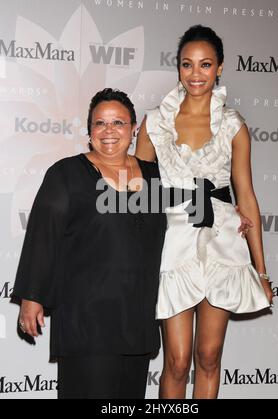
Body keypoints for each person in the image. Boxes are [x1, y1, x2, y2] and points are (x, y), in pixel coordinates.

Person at [135, 25, 273, 399]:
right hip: (173, 241)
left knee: (209, 356)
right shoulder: (154, 122)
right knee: (177, 361)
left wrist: (261, 270)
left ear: (220, 68)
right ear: (178, 68)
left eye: (205, 65)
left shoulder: (234, 126)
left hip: (222, 243)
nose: (196, 74)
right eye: (187, 64)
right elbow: (139, 195)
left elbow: (246, 195)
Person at [13, 88, 167, 399]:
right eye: (100, 123)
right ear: (89, 130)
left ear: (134, 128)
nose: (109, 131)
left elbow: (192, 211)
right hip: (87, 322)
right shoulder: (67, 173)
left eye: (119, 123)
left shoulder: (156, 177)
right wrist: (32, 297)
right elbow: (44, 234)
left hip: (137, 322)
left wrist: (231, 215)